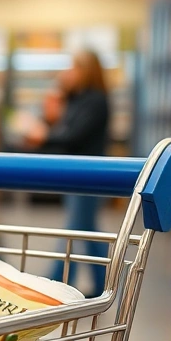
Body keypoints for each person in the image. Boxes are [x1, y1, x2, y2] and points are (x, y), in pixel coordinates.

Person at [26, 50, 111, 297]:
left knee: (75, 230)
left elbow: (74, 136)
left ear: (86, 71)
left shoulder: (95, 100)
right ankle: (102, 284)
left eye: (73, 68)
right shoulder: (77, 98)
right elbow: (61, 124)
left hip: (89, 174)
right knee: (86, 230)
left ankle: (57, 282)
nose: (68, 73)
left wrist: (43, 138)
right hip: (76, 173)